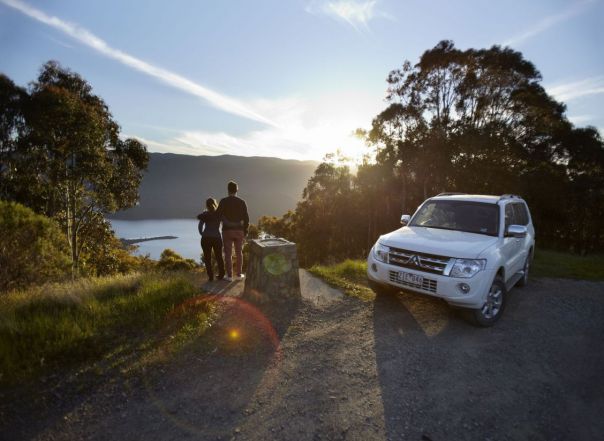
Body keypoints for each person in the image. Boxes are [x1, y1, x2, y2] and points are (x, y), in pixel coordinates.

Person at [217, 181, 249, 281]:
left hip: (227, 231)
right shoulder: (242, 202)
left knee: (228, 254)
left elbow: (218, 215)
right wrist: (245, 231)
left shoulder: (223, 201)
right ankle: (239, 275)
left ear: (228, 190)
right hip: (239, 231)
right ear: (237, 190)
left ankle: (229, 276)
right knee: (239, 253)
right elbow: (246, 218)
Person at [197, 198, 225, 282]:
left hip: (206, 238)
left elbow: (200, 226)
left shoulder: (205, 214)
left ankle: (210, 277)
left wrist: (202, 233)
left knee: (207, 258)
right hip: (216, 238)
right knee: (219, 256)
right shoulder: (219, 214)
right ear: (215, 203)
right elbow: (225, 223)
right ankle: (221, 274)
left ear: (206, 205)